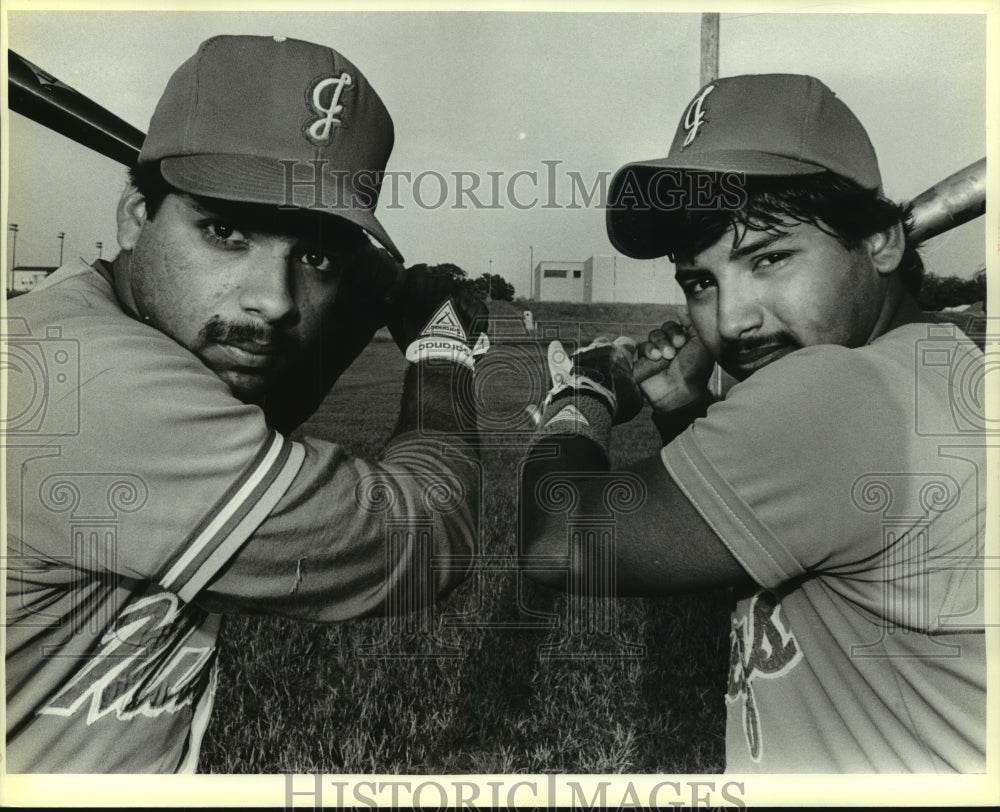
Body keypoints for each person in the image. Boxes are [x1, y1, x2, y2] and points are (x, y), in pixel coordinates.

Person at [5, 35, 485, 773]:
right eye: (225, 232)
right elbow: (423, 539)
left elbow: (263, 411)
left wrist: (359, 304)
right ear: (136, 215)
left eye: (313, 255)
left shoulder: (105, 332)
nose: (274, 300)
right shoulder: (97, 388)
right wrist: (440, 347)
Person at [519, 73, 986, 772]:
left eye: (768, 257)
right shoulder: (939, 365)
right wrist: (683, 407)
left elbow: (558, 537)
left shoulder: (839, 392)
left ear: (882, 243)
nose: (732, 321)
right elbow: (773, 518)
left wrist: (583, 391)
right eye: (701, 281)